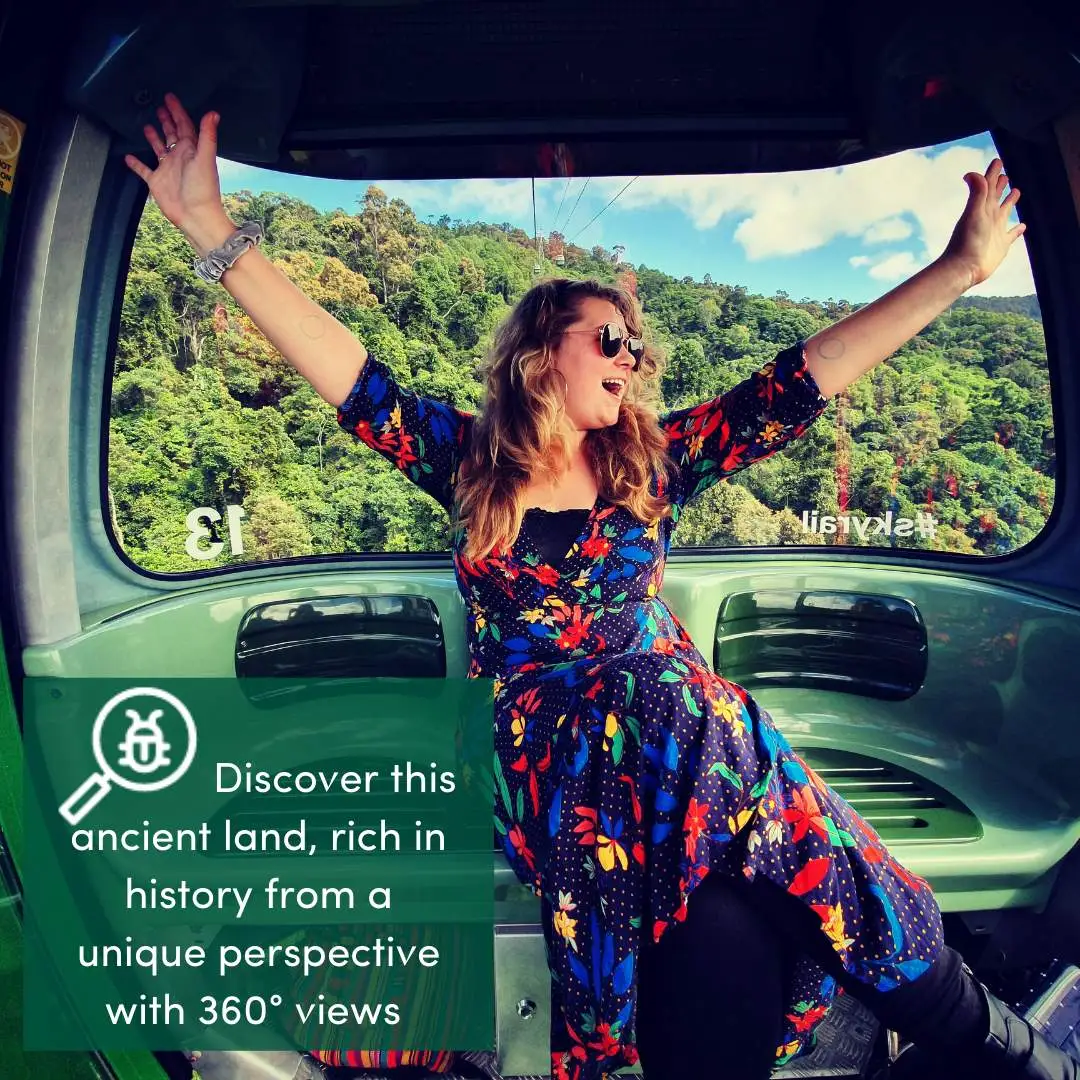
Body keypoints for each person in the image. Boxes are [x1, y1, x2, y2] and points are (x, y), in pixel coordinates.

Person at [125, 94, 1075, 1080]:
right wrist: (211, 229)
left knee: (715, 866)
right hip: (547, 740)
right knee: (684, 702)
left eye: (637, 343)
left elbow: (804, 380)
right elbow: (341, 368)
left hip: (673, 761)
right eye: (607, 338)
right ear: (543, 350)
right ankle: (972, 1025)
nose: (632, 356)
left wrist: (959, 270)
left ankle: (979, 1043)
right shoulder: (463, 461)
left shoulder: (654, 469)